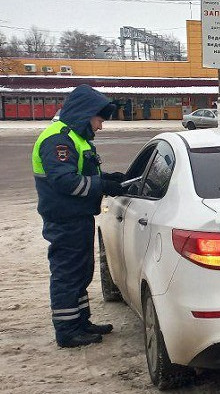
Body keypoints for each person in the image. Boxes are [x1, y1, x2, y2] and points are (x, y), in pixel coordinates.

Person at [32, 84, 127, 348]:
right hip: (64, 219)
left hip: (77, 216)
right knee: (67, 274)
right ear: (86, 114)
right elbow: (67, 182)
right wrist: (103, 186)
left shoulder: (76, 137)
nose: (101, 126)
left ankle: (80, 321)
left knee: (81, 272)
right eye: (99, 119)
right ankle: (67, 330)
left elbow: (84, 175)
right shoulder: (59, 139)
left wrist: (108, 178)